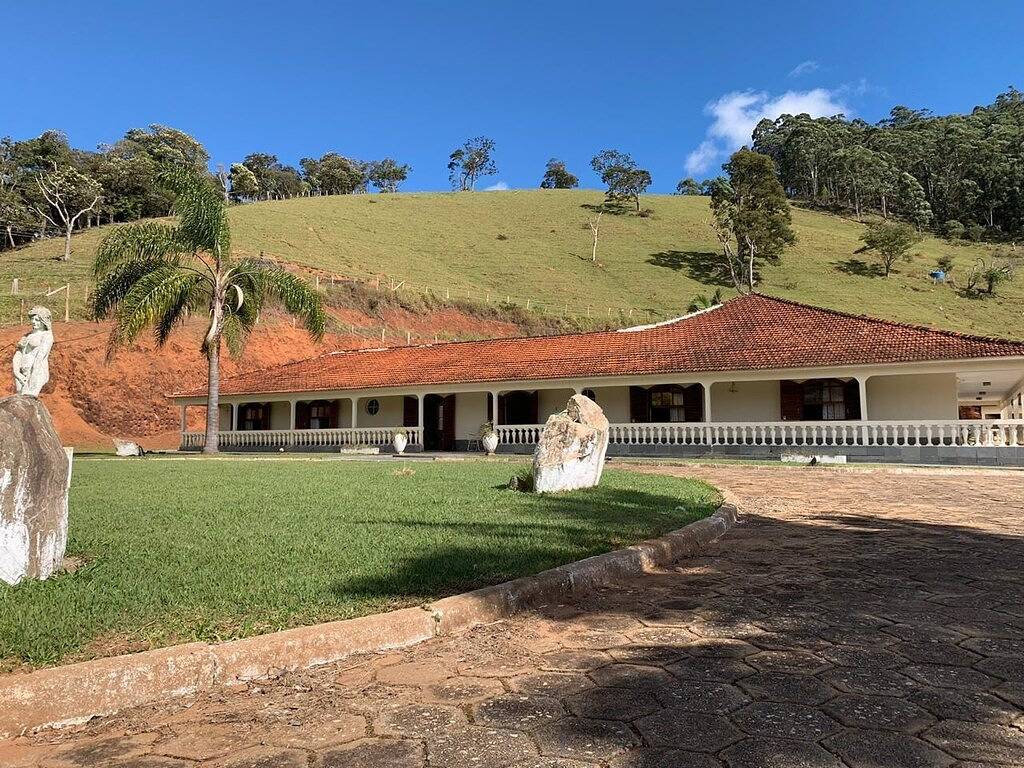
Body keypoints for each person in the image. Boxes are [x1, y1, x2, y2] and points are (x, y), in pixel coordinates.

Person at [13, 306, 53, 397]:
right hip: (22, 373)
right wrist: (16, 372)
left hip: (36, 373)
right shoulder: (27, 335)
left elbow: (40, 358)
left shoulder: (46, 336)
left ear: (43, 321)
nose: (33, 322)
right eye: (32, 319)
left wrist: (33, 378)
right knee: (20, 398)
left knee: (29, 399)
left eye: (37, 320)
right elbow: (18, 353)